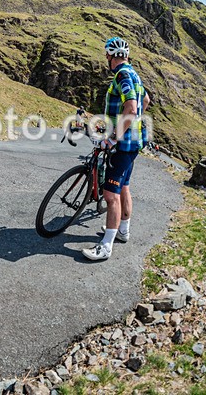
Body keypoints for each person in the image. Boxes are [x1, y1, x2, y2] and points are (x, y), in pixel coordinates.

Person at [82, 37, 150, 261]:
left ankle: (105, 247)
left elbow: (130, 109)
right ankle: (123, 231)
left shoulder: (122, 75)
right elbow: (145, 100)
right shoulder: (135, 74)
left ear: (110, 56)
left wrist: (113, 137)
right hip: (134, 142)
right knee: (124, 187)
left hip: (123, 144)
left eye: (107, 56)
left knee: (111, 195)